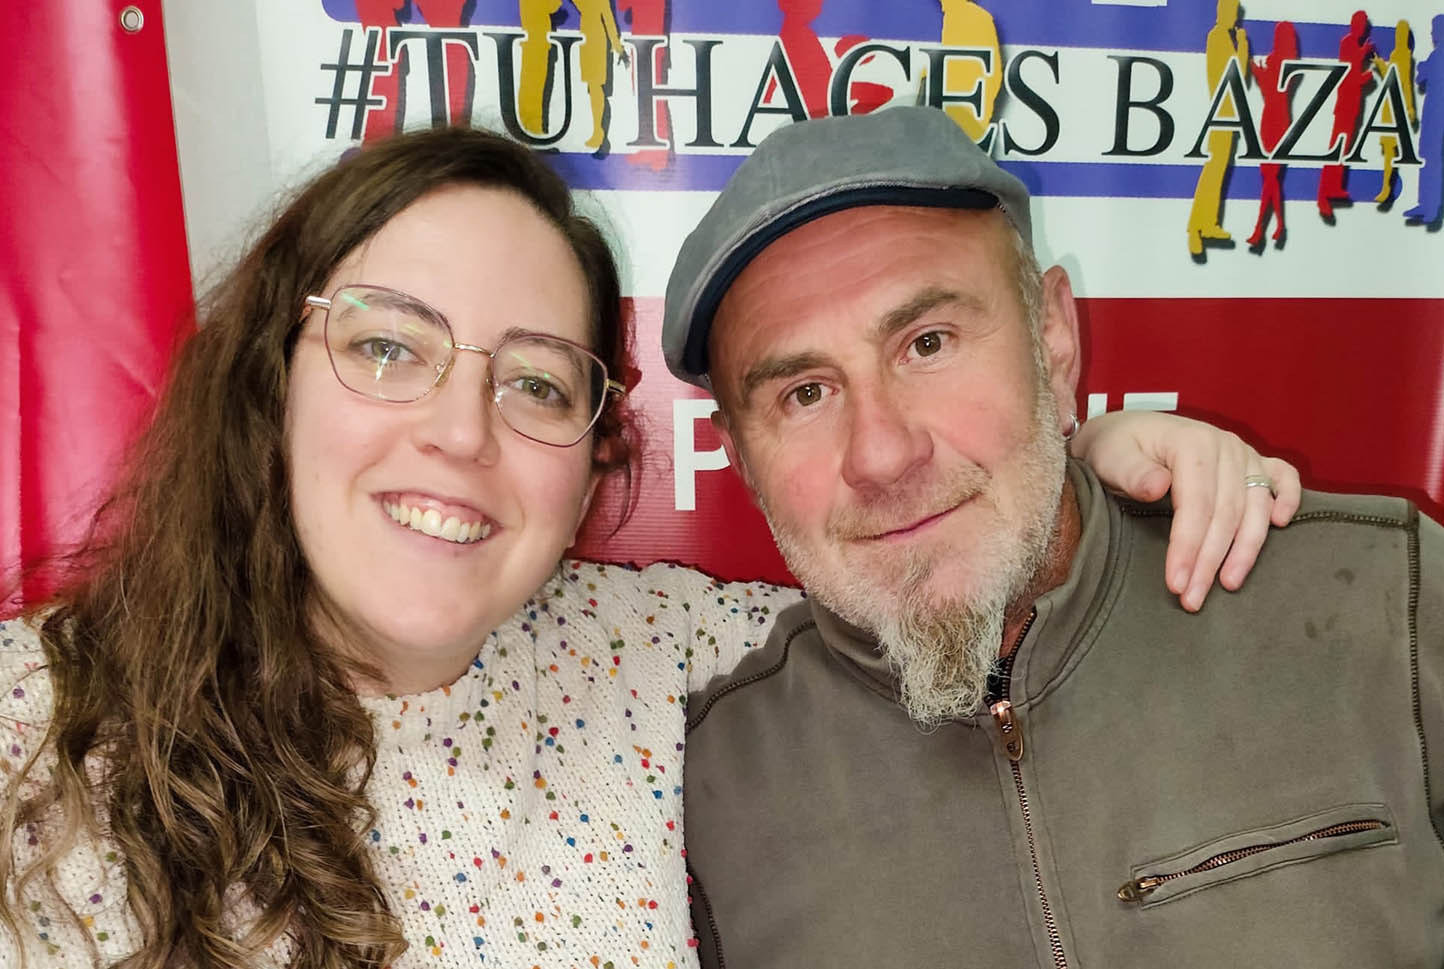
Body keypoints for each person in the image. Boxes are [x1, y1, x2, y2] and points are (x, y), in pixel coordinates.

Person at [0, 125, 1296, 968]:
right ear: (267, 378)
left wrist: (1074, 472)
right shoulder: (30, 737)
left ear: (591, 455)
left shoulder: (651, 661)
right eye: (388, 346)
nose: (460, 432)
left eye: (536, 381)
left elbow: (927, 582)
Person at [667, 105, 1444, 969]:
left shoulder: (1389, 599)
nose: (882, 454)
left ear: (1054, 338)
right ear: (741, 458)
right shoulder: (709, 792)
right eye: (804, 393)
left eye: (928, 342)